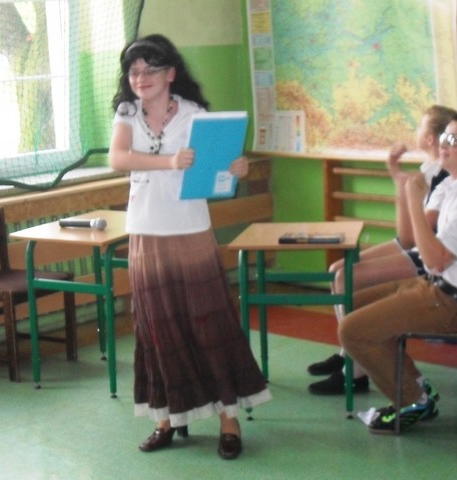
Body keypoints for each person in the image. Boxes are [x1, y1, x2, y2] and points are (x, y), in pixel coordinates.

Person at [108, 34, 271, 460]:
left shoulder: (195, 114)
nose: (141, 78)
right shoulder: (127, 112)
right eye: (134, 71)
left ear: (170, 74)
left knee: (209, 326)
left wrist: (235, 168)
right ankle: (166, 419)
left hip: (191, 231)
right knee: (157, 331)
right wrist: (168, 161)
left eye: (150, 69)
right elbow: (118, 158)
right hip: (146, 233)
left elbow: (217, 173)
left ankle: (229, 420)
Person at [338, 113, 457, 434]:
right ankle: (416, 386)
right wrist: (410, 193)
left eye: (454, 140)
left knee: (352, 330)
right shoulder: (455, 187)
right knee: (353, 302)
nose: (444, 145)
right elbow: (419, 247)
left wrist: (414, 201)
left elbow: (435, 260)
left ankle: (412, 401)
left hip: (452, 304)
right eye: (444, 137)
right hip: (434, 288)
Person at [307, 105, 457, 396]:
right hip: (417, 247)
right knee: (336, 270)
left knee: (345, 278)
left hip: (430, 257)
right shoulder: (428, 169)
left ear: (430, 138)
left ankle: (355, 371)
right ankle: (347, 353)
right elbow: (406, 236)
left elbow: (412, 239)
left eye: (421, 126)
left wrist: (403, 186)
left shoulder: (440, 175)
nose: (417, 130)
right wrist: (398, 178)